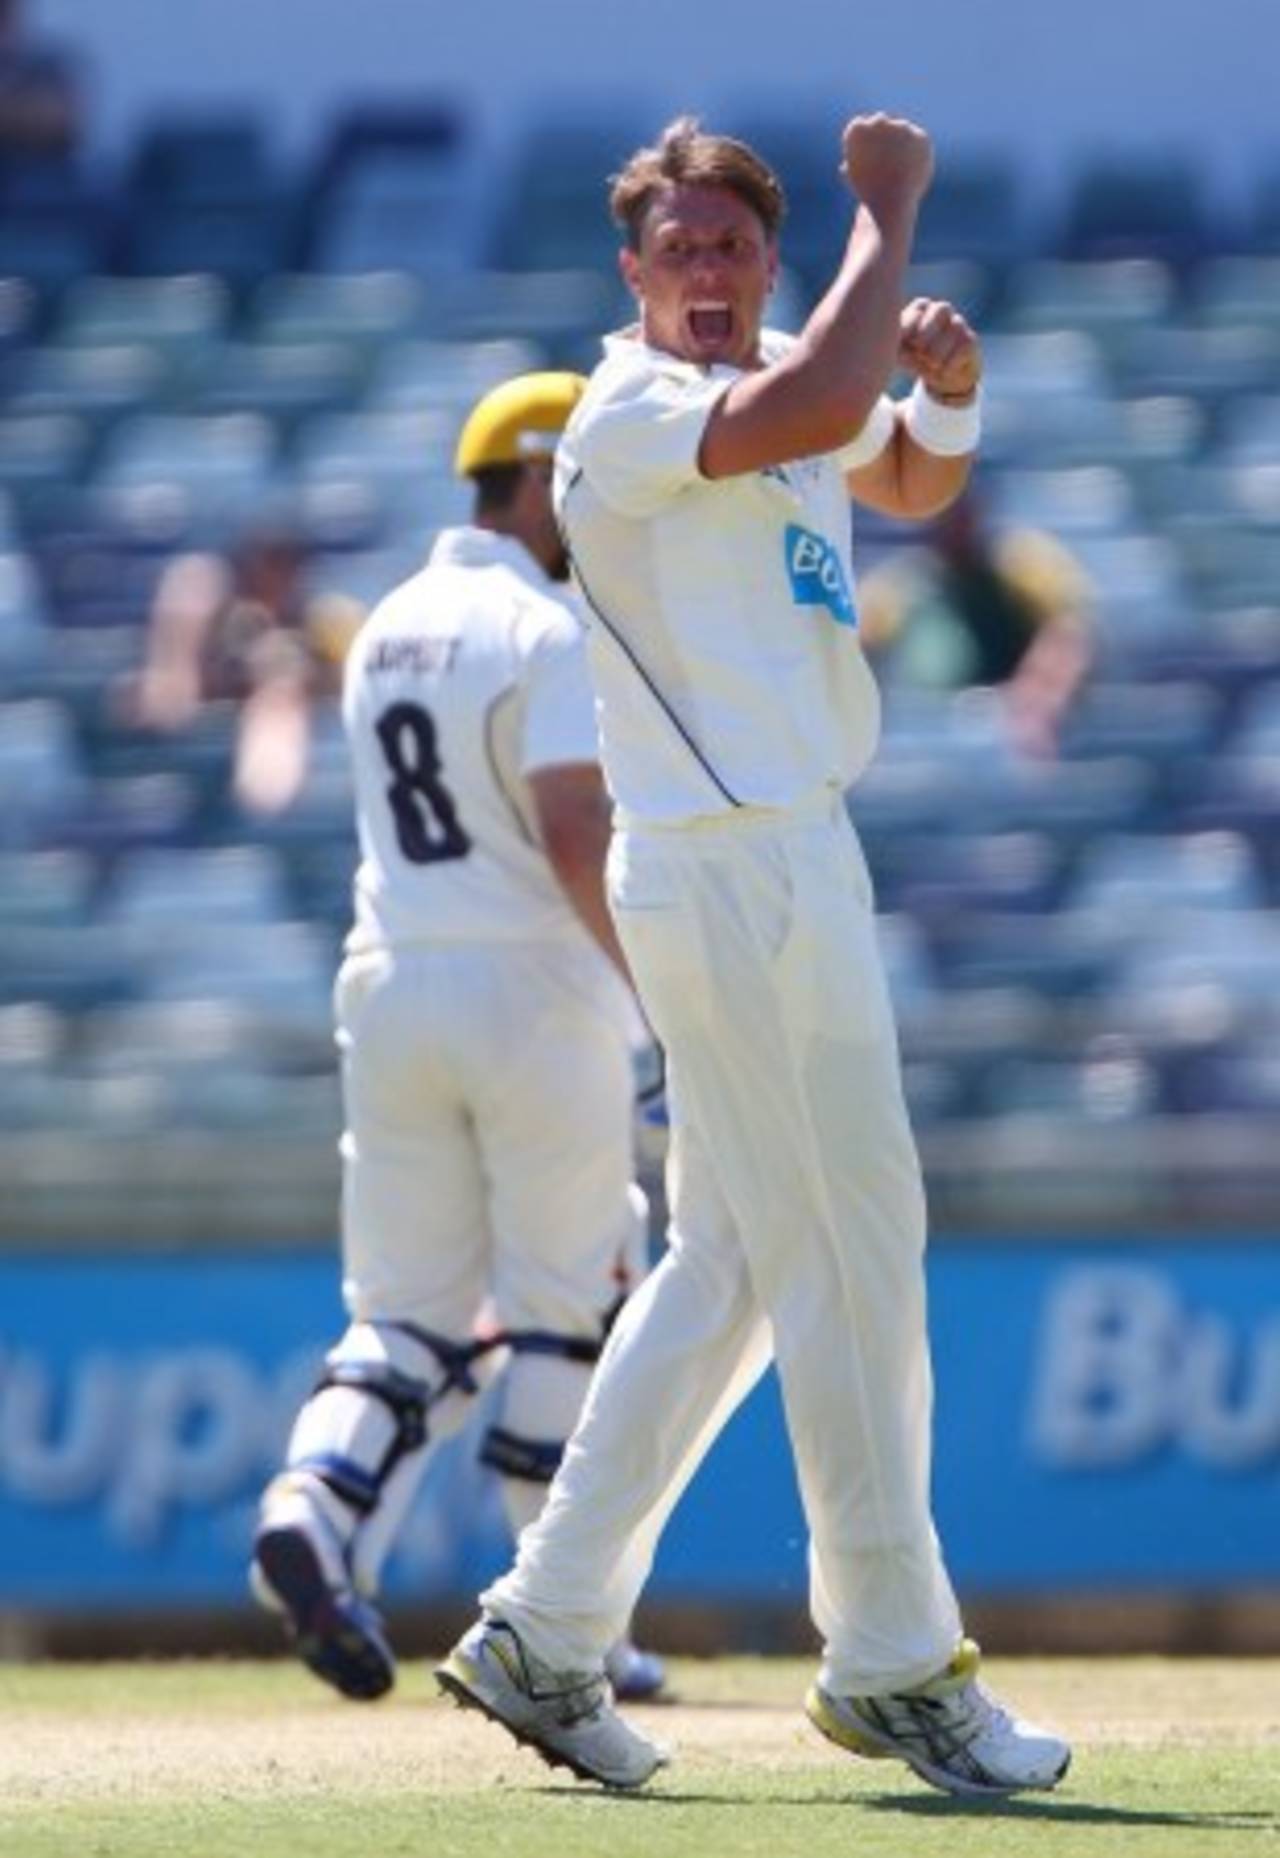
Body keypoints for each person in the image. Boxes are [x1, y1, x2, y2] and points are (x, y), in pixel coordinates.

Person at [436, 115, 1072, 1797]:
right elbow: (798, 415)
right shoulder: (628, 409)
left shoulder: (793, 363)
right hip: (728, 868)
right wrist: (895, 213)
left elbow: (908, 474)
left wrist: (943, 385)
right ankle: (894, 1660)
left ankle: (547, 1621)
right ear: (633, 271)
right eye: (682, 249)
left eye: (735, 246)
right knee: (852, 1251)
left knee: (733, 1266)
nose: (711, 272)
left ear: (765, 265)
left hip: (789, 858)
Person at [250, 372, 665, 1705]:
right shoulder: (542, 625)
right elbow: (569, 831)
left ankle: (312, 1512)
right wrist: (654, 1004)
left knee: (404, 1315)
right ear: (540, 483)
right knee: (575, 1306)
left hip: (390, 977)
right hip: (533, 989)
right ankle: (565, 1623)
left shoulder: (385, 623)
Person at [123, 522, 363, 815]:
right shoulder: (225, 616)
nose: (275, 577)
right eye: (267, 564)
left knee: (281, 691)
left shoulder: (321, 619)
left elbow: (352, 683)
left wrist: (305, 675)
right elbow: (176, 693)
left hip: (300, 716)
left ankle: (268, 806)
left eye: (285, 566)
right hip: (221, 712)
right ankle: (261, 804)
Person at [859, 480, 1095, 756]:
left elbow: (1069, 635)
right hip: (923, 736)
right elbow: (856, 642)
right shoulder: (900, 582)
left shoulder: (1023, 563)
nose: (954, 521)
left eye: (961, 507)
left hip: (1013, 733)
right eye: (944, 511)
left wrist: (1034, 704)